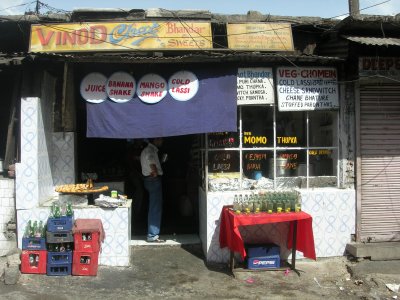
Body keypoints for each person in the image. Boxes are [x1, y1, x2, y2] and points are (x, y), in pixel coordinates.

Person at [140, 137, 166, 243]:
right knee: (155, 207)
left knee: (154, 206)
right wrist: (155, 172)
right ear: (155, 140)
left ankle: (152, 233)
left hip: (149, 180)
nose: (162, 141)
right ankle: (152, 235)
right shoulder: (150, 151)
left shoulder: (147, 150)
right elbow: (151, 163)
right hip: (153, 180)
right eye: (160, 139)